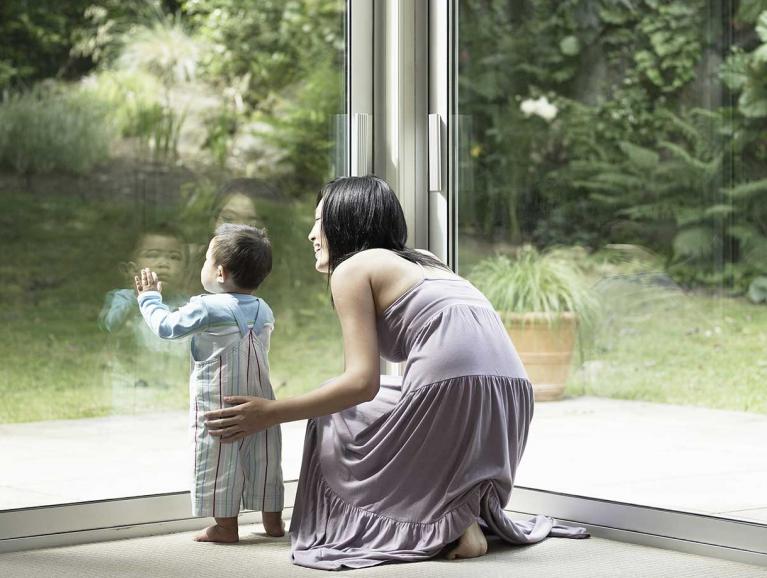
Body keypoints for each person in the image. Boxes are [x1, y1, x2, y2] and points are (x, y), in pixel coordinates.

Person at [204, 176, 589, 569]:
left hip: (452, 391)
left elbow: (360, 383)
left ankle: (445, 522)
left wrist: (270, 413)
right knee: (368, 402)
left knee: (334, 409)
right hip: (511, 397)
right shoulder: (424, 260)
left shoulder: (352, 269)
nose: (311, 234)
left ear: (344, 222)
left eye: (319, 221)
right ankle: (462, 515)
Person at [134, 224, 284, 543]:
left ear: (219, 272)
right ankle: (273, 523)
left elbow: (167, 327)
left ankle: (226, 528)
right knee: (265, 460)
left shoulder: (208, 307)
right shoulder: (264, 309)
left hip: (221, 408)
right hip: (262, 406)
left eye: (205, 260)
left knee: (218, 462)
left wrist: (149, 299)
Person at [98, 227, 190, 401]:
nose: (164, 263)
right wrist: (138, 297)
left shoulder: (188, 305)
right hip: (130, 390)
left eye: (174, 257)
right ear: (131, 270)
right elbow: (111, 325)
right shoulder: (123, 299)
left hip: (173, 391)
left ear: (185, 271)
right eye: (153, 255)